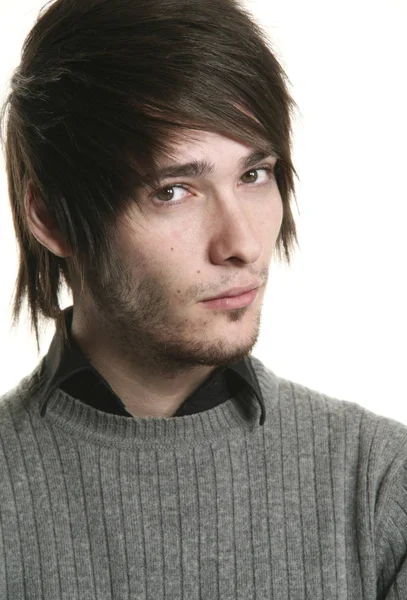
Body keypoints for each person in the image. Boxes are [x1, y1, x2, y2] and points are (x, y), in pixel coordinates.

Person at [0, 0, 406, 598]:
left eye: (254, 174)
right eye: (173, 191)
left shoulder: (380, 485)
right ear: (52, 217)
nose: (241, 243)